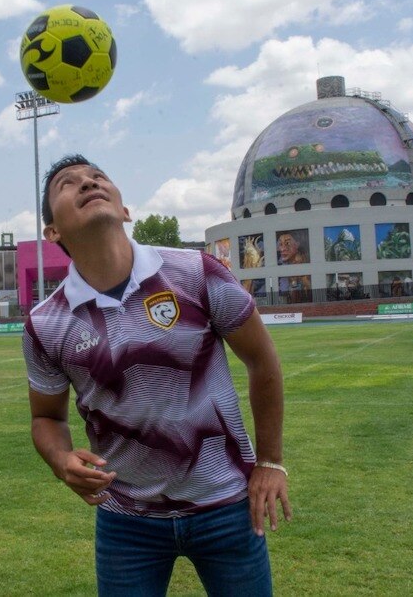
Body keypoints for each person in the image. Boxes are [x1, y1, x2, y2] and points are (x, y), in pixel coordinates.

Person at [23, 154, 291, 596]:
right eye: (68, 185)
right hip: (126, 522)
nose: (88, 183)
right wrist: (60, 460)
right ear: (53, 233)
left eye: (97, 177)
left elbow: (262, 359)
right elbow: (47, 418)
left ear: (125, 210)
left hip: (226, 506)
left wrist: (270, 462)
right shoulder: (45, 323)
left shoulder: (197, 272)